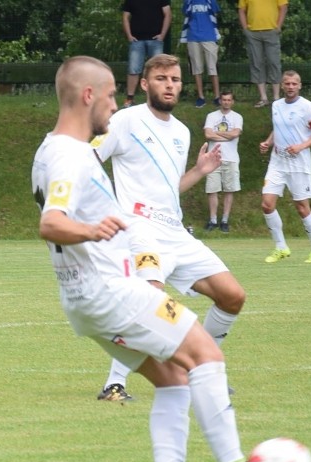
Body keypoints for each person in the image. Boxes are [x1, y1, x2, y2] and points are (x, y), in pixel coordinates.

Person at [32, 55, 286, 462]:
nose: (114, 104)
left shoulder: (51, 150)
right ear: (88, 95)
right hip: (112, 290)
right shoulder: (71, 154)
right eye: (110, 95)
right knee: (204, 353)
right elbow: (53, 221)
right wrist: (92, 230)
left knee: (174, 379)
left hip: (84, 299)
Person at [94, 54, 245, 405]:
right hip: (139, 227)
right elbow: (89, 161)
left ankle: (200, 371)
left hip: (175, 231)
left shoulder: (181, 131)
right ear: (145, 84)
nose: (170, 85)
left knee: (232, 296)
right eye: (161, 78)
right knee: (150, 298)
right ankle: (114, 384)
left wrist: (200, 171)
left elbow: (168, 188)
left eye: (175, 79)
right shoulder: (125, 120)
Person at [259, 70, 311, 264]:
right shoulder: (276, 105)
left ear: (299, 85)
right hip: (278, 162)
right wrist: (268, 142)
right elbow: (278, 127)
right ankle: (280, 247)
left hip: (299, 163)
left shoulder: (308, 107)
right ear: (282, 85)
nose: (290, 87)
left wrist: (301, 146)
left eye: (293, 84)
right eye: (287, 84)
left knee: (302, 208)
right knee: (267, 204)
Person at [203, 91, 244, 232]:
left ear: (232, 102)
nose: (226, 102)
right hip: (214, 158)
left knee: (229, 189)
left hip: (231, 158)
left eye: (229, 100)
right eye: (224, 99)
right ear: (220, 101)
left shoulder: (237, 117)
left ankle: (224, 220)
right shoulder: (211, 116)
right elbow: (208, 134)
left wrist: (217, 134)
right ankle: (212, 220)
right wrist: (226, 136)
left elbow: (235, 134)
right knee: (212, 189)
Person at [122, 0, 172, 108]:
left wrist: (162, 35)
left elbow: (168, 14)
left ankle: (157, 99)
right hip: (136, 40)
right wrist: (129, 36)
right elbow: (125, 17)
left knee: (158, 70)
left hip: (156, 40)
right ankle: (129, 99)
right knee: (133, 69)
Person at [238, 0, 287, 108]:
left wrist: (278, 26)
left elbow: (283, 7)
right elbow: (241, 10)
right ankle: (263, 98)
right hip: (253, 32)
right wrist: (245, 28)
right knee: (256, 63)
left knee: (274, 62)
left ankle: (276, 98)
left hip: (271, 31)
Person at [180, 0, 222, 108]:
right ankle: (201, 97)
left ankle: (217, 97)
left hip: (209, 36)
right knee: (196, 68)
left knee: (213, 68)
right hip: (193, 36)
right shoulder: (189, 1)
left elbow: (215, 13)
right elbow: (186, 13)